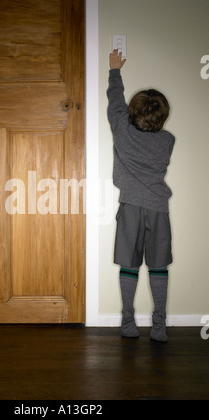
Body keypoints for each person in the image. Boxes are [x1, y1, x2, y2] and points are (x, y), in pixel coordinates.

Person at [107, 50, 175, 343]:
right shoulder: (167, 141)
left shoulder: (122, 130)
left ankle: (127, 321)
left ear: (133, 113)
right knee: (158, 265)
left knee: (130, 265)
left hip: (131, 207)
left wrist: (114, 71)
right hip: (158, 209)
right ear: (162, 115)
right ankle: (159, 326)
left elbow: (115, 102)